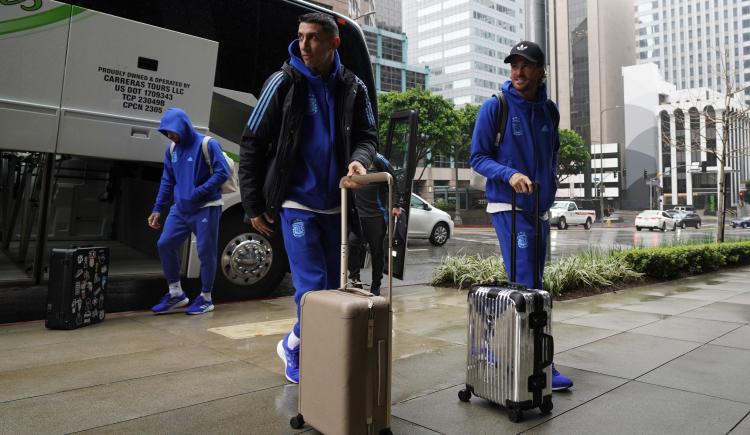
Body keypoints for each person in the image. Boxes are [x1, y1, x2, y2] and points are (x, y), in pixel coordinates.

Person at [238, 12, 377, 384]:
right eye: (300, 36)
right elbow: (252, 142)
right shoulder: (283, 82)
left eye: (313, 37)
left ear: (334, 43)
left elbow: (368, 136)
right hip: (296, 202)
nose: (304, 45)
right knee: (312, 287)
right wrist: (253, 204)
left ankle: (295, 342)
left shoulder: (354, 87)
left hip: (337, 205)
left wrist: (359, 161)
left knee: (334, 287)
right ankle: (299, 351)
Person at [469, 41, 574, 391]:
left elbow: (553, 153)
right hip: (507, 205)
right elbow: (478, 158)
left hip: (539, 208)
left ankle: (493, 347)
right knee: (529, 282)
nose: (518, 72)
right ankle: (538, 363)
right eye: (514, 65)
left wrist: (553, 180)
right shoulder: (494, 107)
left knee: (533, 282)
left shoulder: (550, 112)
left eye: (526, 65)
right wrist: (509, 174)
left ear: (542, 70)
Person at [148, 108, 229, 315]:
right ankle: (176, 294)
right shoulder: (172, 150)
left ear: (183, 126)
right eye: (165, 132)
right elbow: (167, 181)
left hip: (206, 208)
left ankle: (206, 298)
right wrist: (158, 209)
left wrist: (199, 192)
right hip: (181, 210)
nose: (169, 135)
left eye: (171, 131)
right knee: (165, 244)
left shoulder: (207, 144)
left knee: (205, 253)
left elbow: (222, 173)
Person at [348, 153, 403, 296]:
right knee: (352, 244)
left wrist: (396, 204)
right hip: (358, 215)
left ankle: (376, 284)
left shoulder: (378, 159)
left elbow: (394, 180)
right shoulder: (351, 158)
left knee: (376, 252)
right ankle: (355, 279)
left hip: (376, 216)